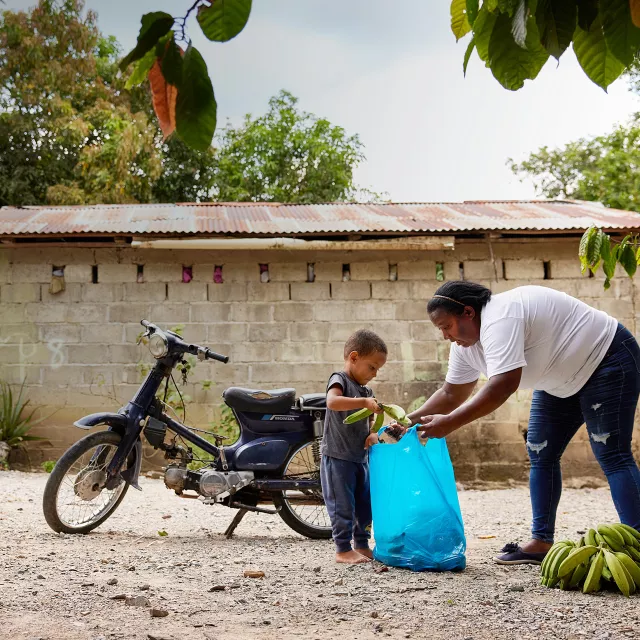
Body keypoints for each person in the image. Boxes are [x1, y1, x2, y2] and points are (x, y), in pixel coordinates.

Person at [397, 281, 640, 565]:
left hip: (607, 359)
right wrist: (404, 421)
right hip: (558, 380)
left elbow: (503, 385)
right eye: (440, 330)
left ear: (468, 313)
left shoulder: (500, 316)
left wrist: (450, 423)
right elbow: (451, 393)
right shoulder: (465, 347)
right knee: (541, 451)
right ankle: (541, 542)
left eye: (446, 326)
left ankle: (636, 546)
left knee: (611, 453)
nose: (445, 336)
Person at [321, 329, 388, 564]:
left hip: (360, 458)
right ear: (354, 357)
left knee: (365, 504)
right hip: (338, 456)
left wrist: (371, 433)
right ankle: (342, 549)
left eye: (378, 369)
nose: (374, 374)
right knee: (343, 505)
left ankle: (362, 544)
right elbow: (332, 402)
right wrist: (364, 403)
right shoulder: (339, 379)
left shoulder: (366, 391)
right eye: (372, 367)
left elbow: (367, 419)